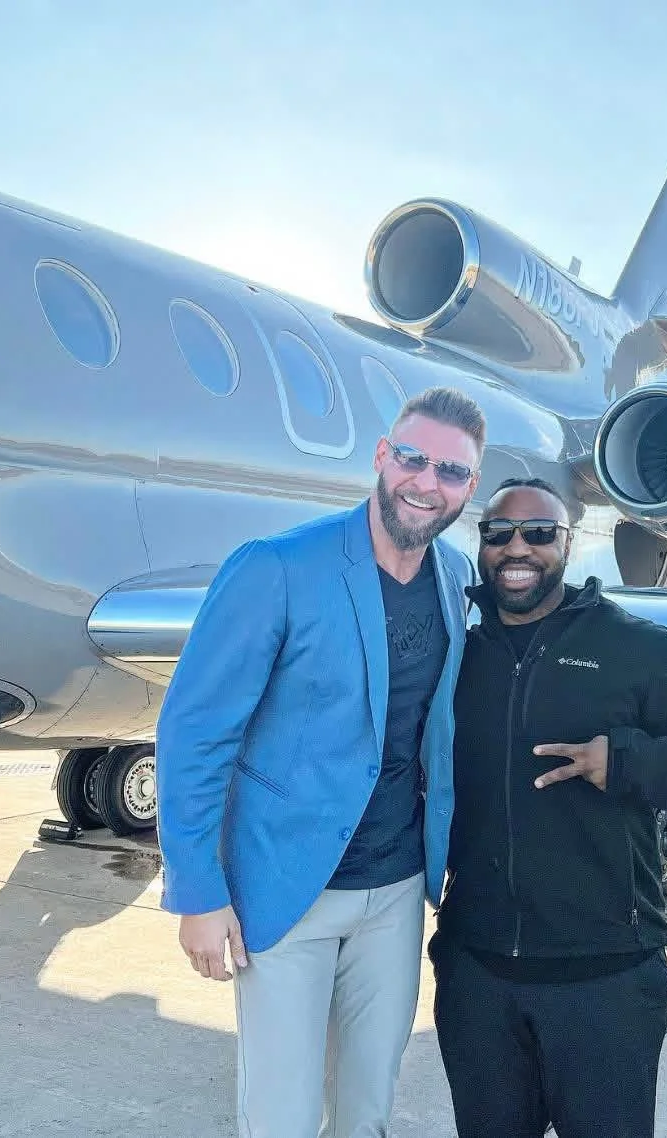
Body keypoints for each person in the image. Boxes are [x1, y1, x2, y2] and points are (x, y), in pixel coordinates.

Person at [155, 386, 484, 1138]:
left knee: (367, 1112)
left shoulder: (453, 577)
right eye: (412, 458)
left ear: (468, 487)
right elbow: (194, 733)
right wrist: (198, 893)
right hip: (285, 889)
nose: (426, 484)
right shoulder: (275, 567)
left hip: (395, 892)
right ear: (381, 456)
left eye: (452, 472)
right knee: (283, 1118)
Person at [431, 477, 667, 1138]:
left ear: (566, 545)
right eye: (498, 534)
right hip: (477, 975)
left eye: (537, 533)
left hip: (604, 977)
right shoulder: (457, 653)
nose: (516, 547)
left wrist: (627, 762)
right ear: (481, 546)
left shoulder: (631, 644)